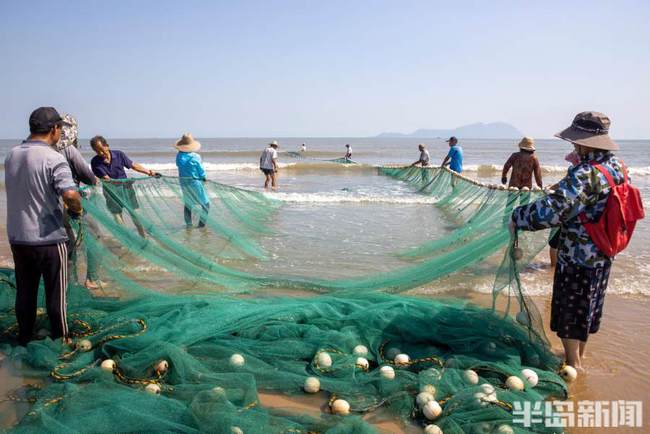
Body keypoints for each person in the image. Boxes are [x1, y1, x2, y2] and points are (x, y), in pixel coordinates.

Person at [510, 111, 628, 371]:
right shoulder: (616, 167)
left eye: (576, 141)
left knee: (570, 312)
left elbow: (553, 211)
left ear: (584, 142)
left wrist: (517, 217)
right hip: (603, 252)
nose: (573, 145)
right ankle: (578, 358)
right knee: (586, 310)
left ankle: (573, 365)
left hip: (577, 255)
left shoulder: (585, 173)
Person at [4, 107, 83, 345]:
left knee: (25, 292)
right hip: (49, 238)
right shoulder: (54, 158)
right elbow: (69, 194)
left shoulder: (12, 154)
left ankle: (25, 335)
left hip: (18, 237)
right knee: (56, 294)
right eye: (60, 128)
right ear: (54, 129)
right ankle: (62, 338)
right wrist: (77, 208)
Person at [56, 115, 103, 291]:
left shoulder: (43, 149)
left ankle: (67, 283)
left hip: (50, 207)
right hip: (71, 202)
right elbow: (88, 176)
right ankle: (92, 279)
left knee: (66, 242)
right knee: (95, 236)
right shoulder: (68, 149)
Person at [90, 135, 157, 237]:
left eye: (102, 150)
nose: (100, 153)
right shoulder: (95, 162)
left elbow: (133, 165)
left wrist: (149, 172)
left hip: (127, 189)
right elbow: (107, 179)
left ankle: (144, 238)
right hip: (111, 192)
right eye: (97, 151)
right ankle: (128, 242)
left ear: (107, 146)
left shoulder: (119, 154)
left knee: (136, 216)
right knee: (118, 219)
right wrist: (124, 181)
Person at [175, 133, 210, 228]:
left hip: (184, 183)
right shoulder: (195, 157)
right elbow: (200, 170)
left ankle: (189, 224)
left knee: (188, 204)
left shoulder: (178, 156)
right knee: (206, 205)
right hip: (195, 183)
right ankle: (201, 226)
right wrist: (204, 177)